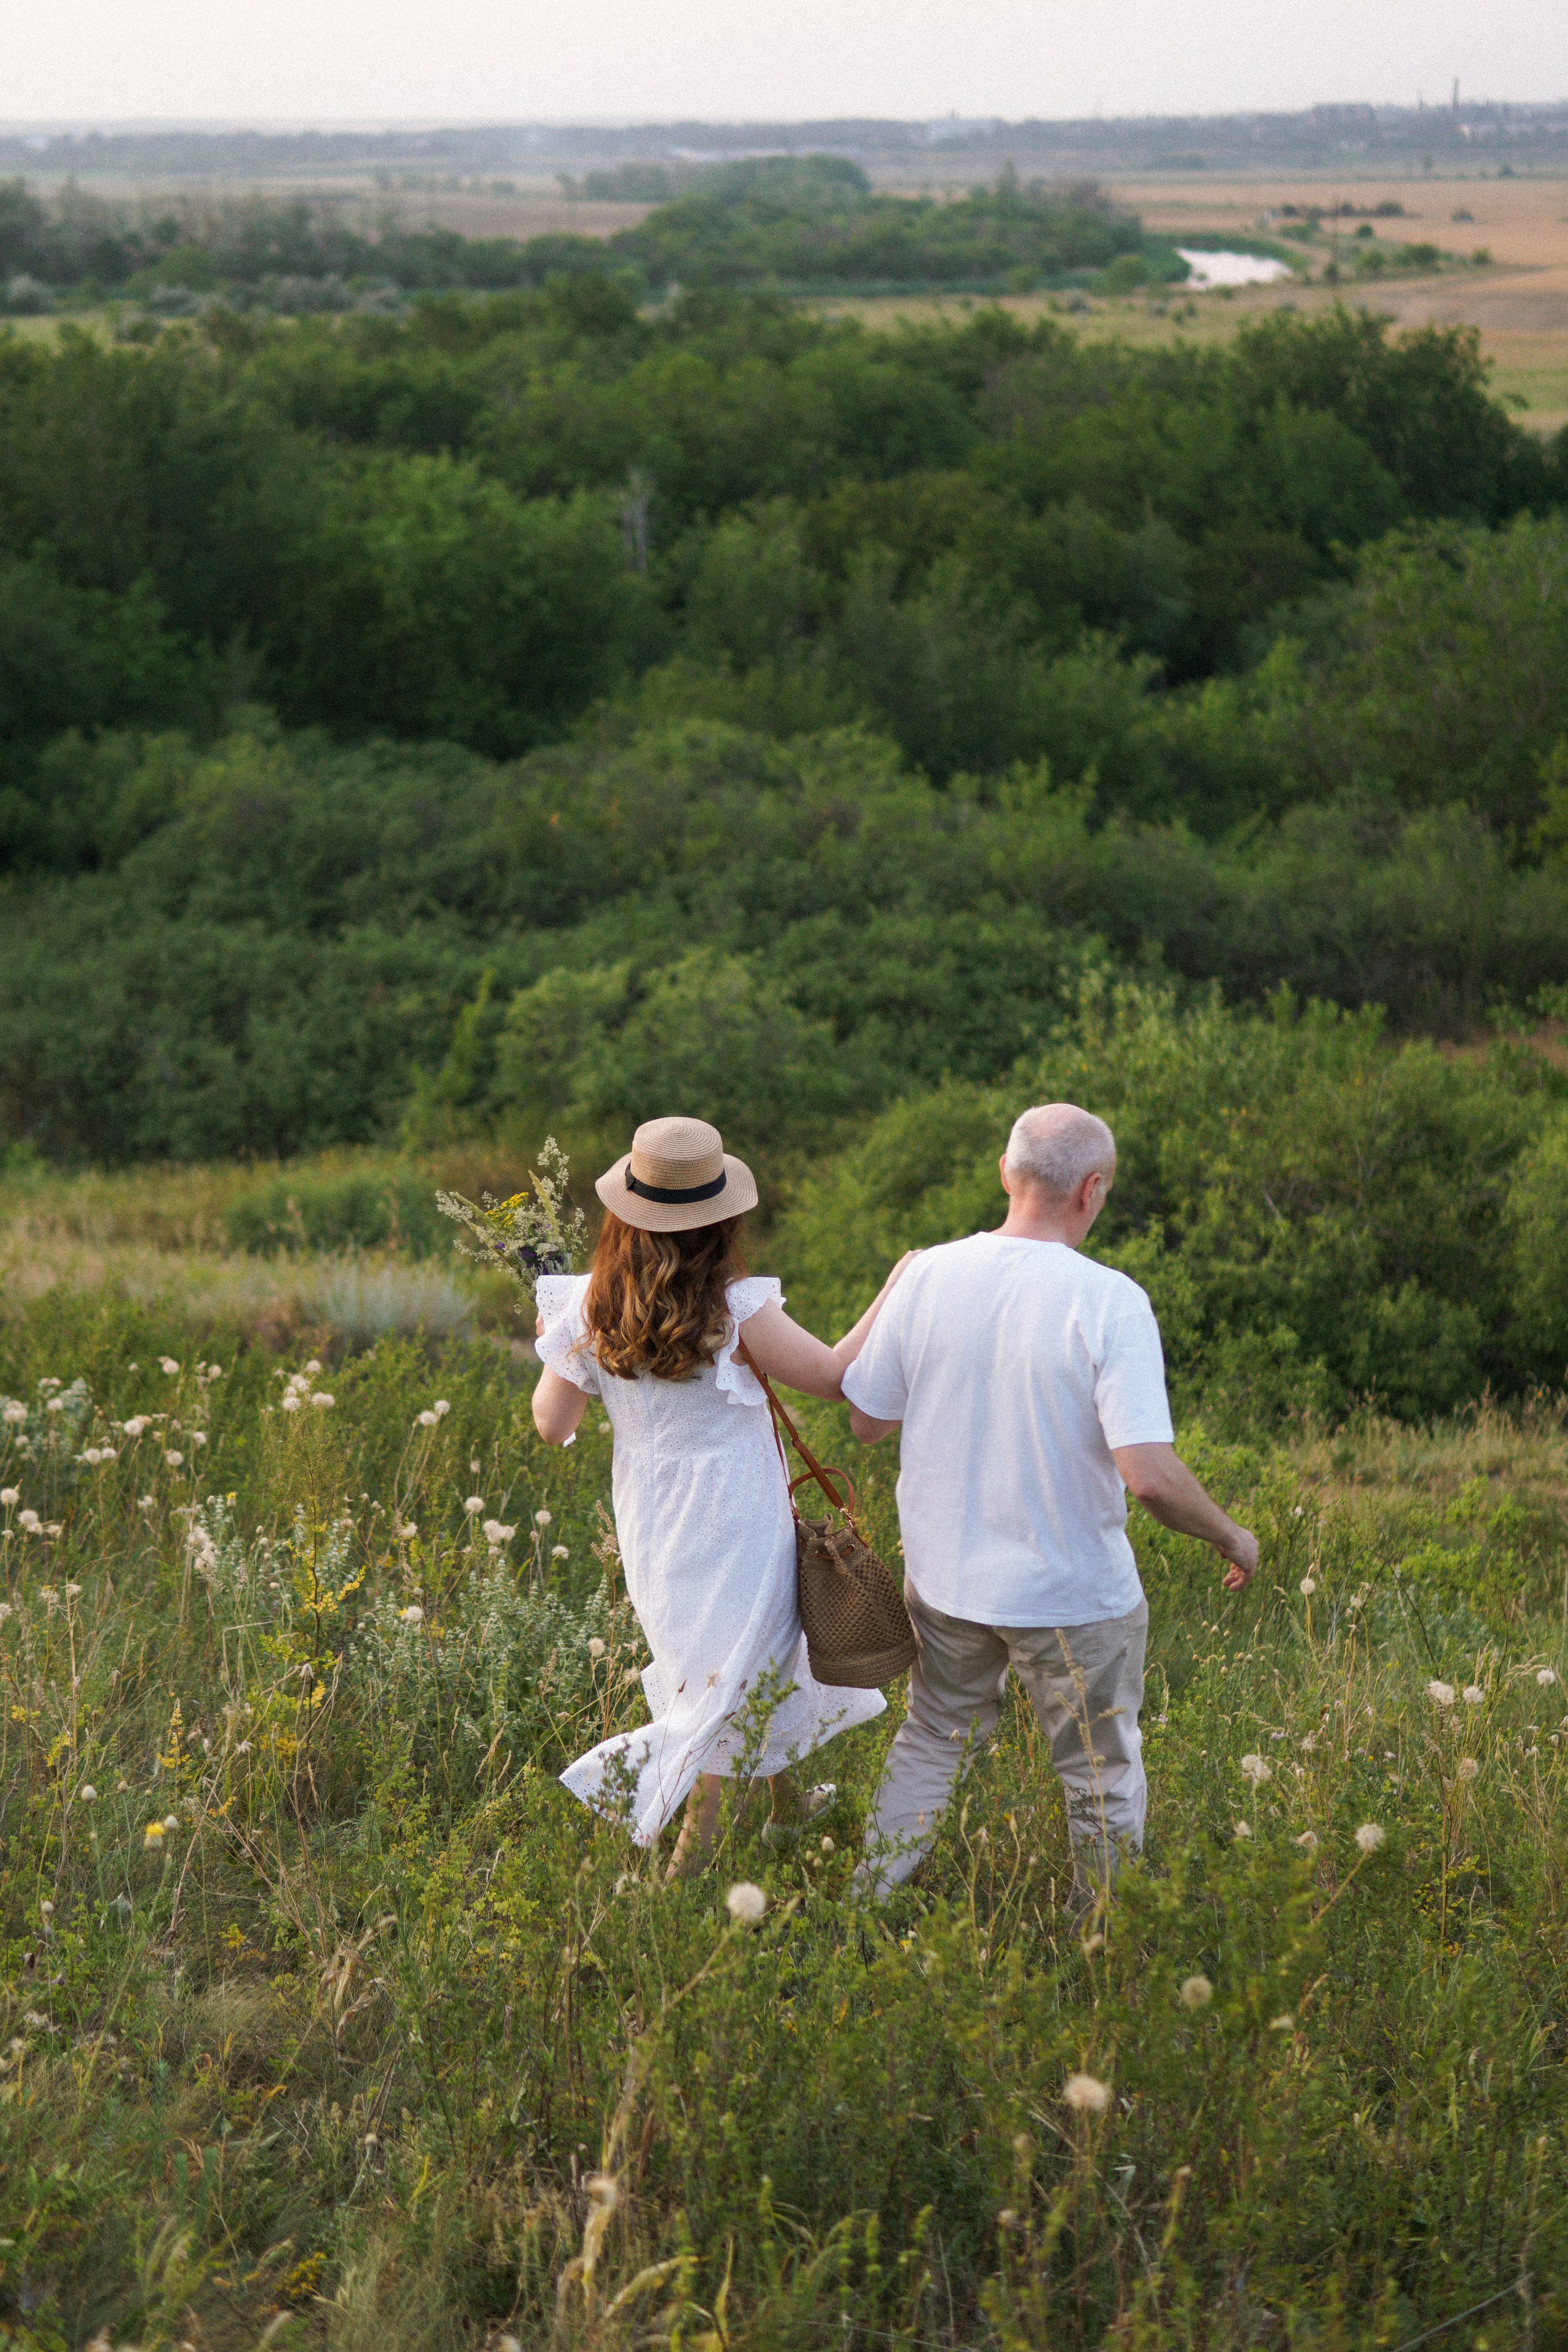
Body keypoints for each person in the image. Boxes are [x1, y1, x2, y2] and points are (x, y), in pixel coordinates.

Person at [842, 1101, 1259, 1910]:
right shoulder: (1108, 1300)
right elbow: (1148, 1474)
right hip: (1071, 1595)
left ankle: (864, 1908)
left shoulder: (928, 1272)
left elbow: (865, 1419)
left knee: (930, 1740)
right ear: (1092, 1191)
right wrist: (1232, 1534)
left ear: (1007, 1173)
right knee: (1099, 1777)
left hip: (945, 1581)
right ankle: (1097, 1951)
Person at [532, 1114, 913, 1878]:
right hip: (737, 1516)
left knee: (733, 1663)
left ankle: (783, 1806)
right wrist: (897, 1288)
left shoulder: (587, 1308)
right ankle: (676, 1878)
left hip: (652, 1516)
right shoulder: (734, 1310)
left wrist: (567, 1349)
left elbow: (551, 1425)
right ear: (722, 1219)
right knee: (729, 1683)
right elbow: (834, 1376)